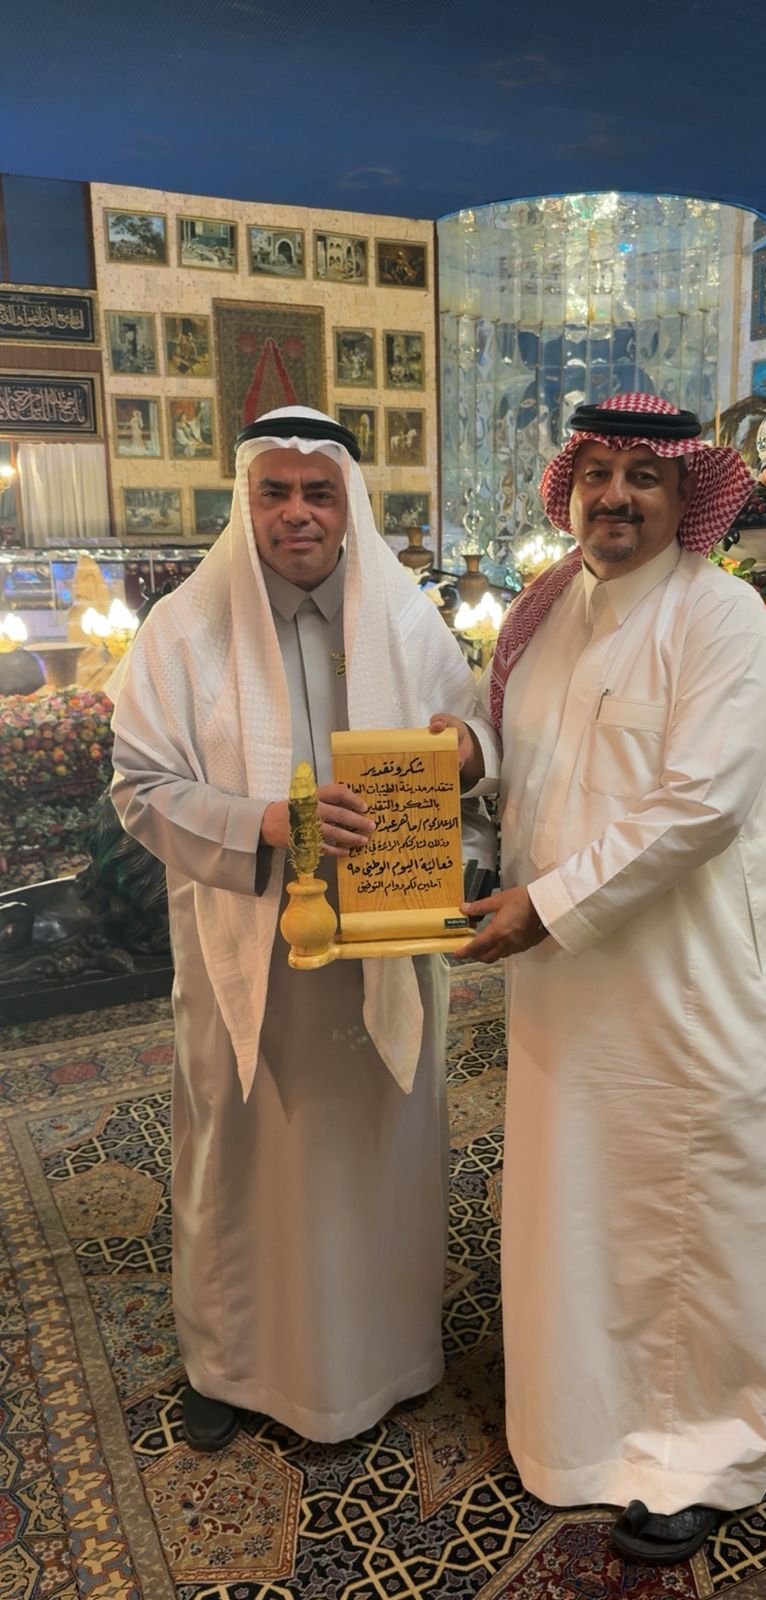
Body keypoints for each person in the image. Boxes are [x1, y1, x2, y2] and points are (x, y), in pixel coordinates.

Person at [441, 393, 766, 1563]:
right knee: (583, 1204)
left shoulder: (727, 621)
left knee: (691, 1214)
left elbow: (696, 806)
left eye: (642, 477)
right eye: (595, 473)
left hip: (689, 997)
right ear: (571, 486)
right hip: (567, 990)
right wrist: (467, 753)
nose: (614, 496)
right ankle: (582, 1424)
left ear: (684, 493)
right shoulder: (547, 609)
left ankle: (700, 1449)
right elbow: (519, 742)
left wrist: (546, 906)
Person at [109, 405, 494, 1453]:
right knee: (245, 1158)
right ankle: (231, 1362)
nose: (297, 513)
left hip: (387, 943)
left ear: (347, 503)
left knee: (376, 1149)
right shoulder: (183, 630)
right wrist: (265, 824)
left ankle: (387, 1353)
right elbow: (139, 788)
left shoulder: (406, 621)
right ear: (246, 502)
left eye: (319, 493)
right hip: (253, 952)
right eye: (274, 492)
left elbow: (472, 739)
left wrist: (469, 748)